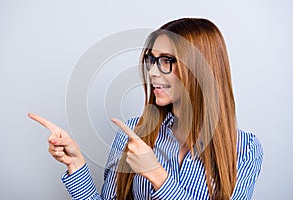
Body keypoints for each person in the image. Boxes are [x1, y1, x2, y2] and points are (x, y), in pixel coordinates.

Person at [28, 18, 263, 200]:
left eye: (166, 61)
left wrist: (156, 174)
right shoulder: (133, 132)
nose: (152, 72)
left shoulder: (245, 150)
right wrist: (76, 164)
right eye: (151, 60)